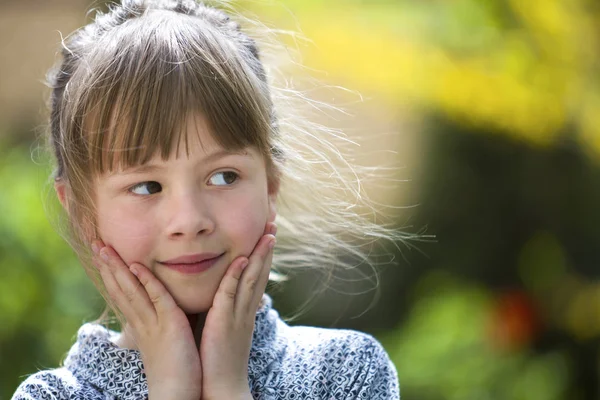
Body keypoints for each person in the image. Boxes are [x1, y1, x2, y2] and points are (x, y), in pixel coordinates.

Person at [13, 0, 409, 398]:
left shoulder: (344, 373)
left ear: (270, 185)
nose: (189, 219)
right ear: (83, 211)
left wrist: (227, 386)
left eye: (223, 177)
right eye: (147, 186)